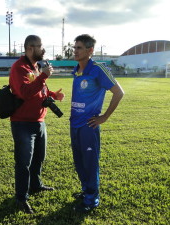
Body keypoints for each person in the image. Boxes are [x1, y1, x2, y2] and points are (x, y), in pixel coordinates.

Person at [9, 35, 65, 214]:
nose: (43, 50)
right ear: (30, 48)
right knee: (23, 162)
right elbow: (25, 92)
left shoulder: (34, 66)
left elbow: (40, 89)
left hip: (39, 121)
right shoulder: (19, 68)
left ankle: (35, 185)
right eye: (40, 46)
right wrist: (43, 77)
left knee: (39, 157)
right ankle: (21, 198)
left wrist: (53, 94)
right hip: (23, 123)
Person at [70, 34, 124, 212]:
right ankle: (86, 191)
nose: (75, 51)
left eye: (79, 48)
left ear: (90, 50)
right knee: (79, 161)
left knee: (90, 162)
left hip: (89, 126)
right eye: (74, 47)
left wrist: (104, 117)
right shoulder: (77, 69)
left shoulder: (98, 68)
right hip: (74, 124)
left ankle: (92, 200)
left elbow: (119, 93)